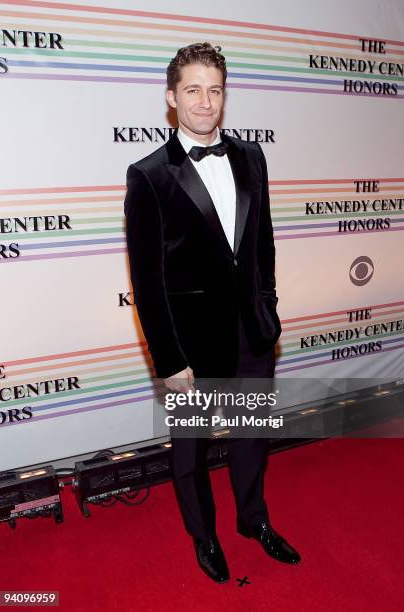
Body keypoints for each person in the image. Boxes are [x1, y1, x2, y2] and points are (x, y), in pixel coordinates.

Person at [124, 42, 300, 584]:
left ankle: (254, 520)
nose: (205, 101)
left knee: (250, 437)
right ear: (171, 98)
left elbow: (262, 242)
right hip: (190, 344)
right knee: (191, 453)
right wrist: (170, 359)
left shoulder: (251, 157)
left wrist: (267, 308)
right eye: (193, 90)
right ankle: (205, 536)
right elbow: (148, 283)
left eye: (215, 90)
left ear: (225, 96)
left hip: (250, 331)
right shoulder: (148, 175)